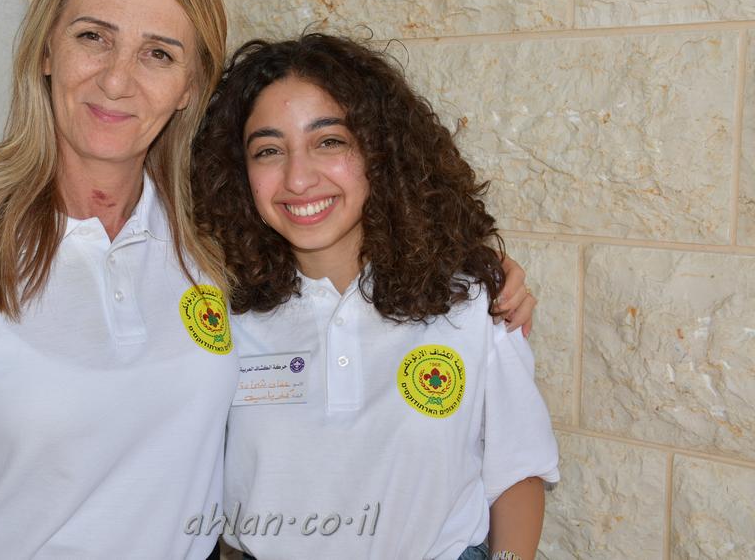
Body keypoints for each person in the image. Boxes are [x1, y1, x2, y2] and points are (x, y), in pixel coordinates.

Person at [0, 0, 536, 558]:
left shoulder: (207, 248)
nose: (117, 79)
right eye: (92, 36)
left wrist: (478, 272)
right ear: (46, 48)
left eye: (158, 53)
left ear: (191, 87)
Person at [191, 34, 559, 560]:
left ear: (379, 151)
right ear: (239, 173)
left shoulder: (468, 300)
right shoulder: (220, 313)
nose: (299, 178)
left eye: (329, 141)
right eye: (268, 150)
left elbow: (518, 469)